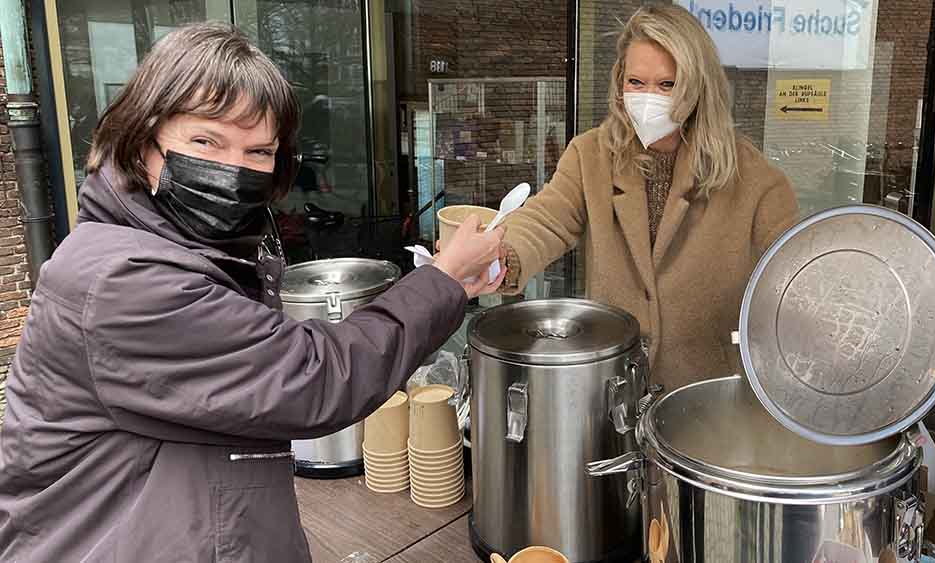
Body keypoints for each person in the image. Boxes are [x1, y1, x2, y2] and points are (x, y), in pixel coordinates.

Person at [0, 23, 504, 561]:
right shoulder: (124, 281)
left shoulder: (176, 250)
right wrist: (443, 279)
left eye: (258, 152)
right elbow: (315, 378)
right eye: (205, 141)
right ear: (143, 143)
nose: (232, 169)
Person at [499, 3, 798, 393]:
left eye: (667, 85)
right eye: (636, 83)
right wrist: (501, 256)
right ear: (619, 82)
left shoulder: (754, 179)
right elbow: (547, 218)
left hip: (705, 396)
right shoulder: (590, 155)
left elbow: (796, 275)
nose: (648, 98)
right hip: (612, 389)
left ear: (696, 87)